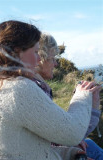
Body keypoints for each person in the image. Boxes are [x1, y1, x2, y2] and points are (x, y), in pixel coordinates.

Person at [0, 20, 100, 160]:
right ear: (17, 52)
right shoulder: (18, 88)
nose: (39, 60)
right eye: (36, 52)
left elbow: (24, 147)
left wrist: (68, 153)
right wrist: (82, 95)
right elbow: (73, 133)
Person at [37, 32, 103, 160]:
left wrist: (93, 105)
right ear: (38, 59)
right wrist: (81, 98)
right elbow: (71, 133)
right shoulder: (35, 90)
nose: (56, 64)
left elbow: (67, 135)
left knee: (89, 144)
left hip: (47, 150)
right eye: (52, 59)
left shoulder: (41, 87)